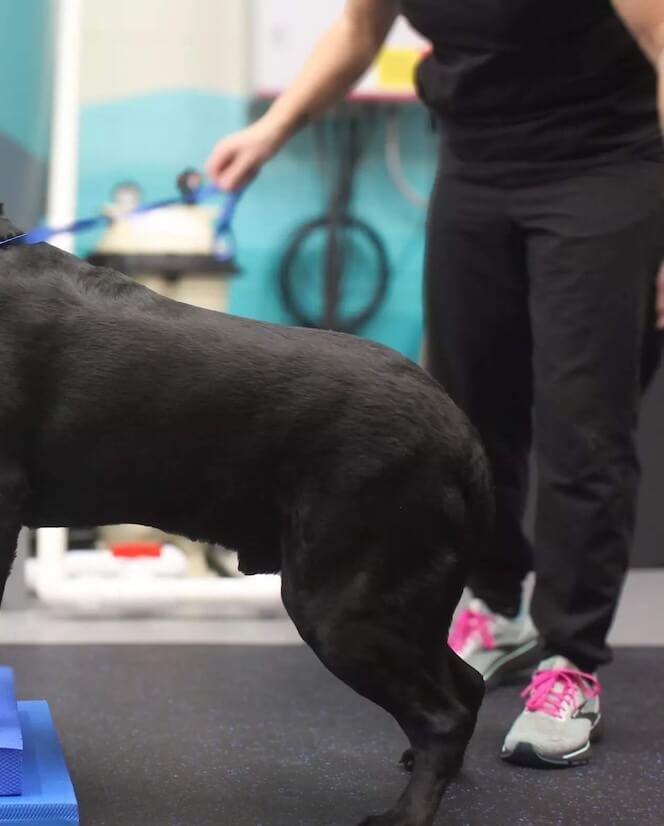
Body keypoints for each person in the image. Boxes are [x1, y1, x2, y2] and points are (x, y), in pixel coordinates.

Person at [207, 0, 664, 769]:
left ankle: (571, 659)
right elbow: (359, 31)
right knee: (465, 415)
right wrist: (271, 130)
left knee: (582, 426)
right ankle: (498, 605)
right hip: (476, 163)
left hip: (604, 165)